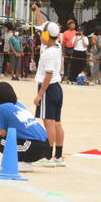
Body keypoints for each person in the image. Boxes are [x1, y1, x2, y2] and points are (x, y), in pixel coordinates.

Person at [0, 81, 49, 171]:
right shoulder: (18, 105)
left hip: (33, 147)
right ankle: (24, 161)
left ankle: (20, 162)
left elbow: (3, 134)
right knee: (14, 136)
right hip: (45, 144)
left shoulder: (1, 108)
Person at [33, 22, 66, 167]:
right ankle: (58, 156)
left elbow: (48, 74)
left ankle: (47, 156)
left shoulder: (49, 53)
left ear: (47, 35)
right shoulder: (57, 47)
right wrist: (37, 12)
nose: (40, 36)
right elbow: (45, 26)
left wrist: (40, 94)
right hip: (56, 88)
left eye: (42, 33)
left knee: (49, 123)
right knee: (56, 122)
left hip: (48, 88)